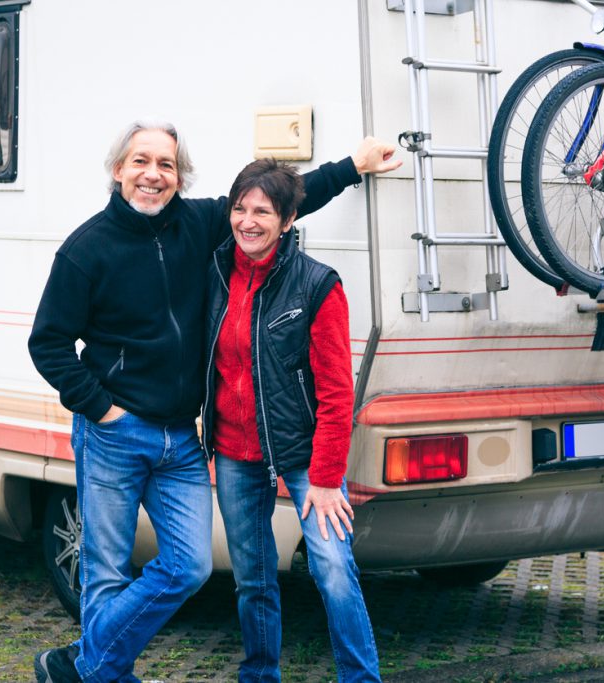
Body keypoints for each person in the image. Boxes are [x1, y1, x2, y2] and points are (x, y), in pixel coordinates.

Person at [28, 119, 400, 683]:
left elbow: (280, 198)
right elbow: (48, 343)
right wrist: (101, 408)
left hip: (185, 438)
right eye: (141, 162)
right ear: (117, 170)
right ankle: (106, 674)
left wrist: (351, 167)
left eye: (166, 165)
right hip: (119, 435)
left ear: (179, 176)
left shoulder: (200, 225)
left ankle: (78, 665)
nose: (153, 175)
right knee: (106, 572)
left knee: (193, 566)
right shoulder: (87, 251)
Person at [201, 158, 382, 682]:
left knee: (333, 571)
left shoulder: (317, 285)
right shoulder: (216, 273)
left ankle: (360, 677)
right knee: (252, 577)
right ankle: (259, 674)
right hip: (235, 451)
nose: (248, 221)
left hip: (306, 456)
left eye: (263, 210)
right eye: (239, 208)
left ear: (287, 219)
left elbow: (335, 391)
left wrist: (326, 480)